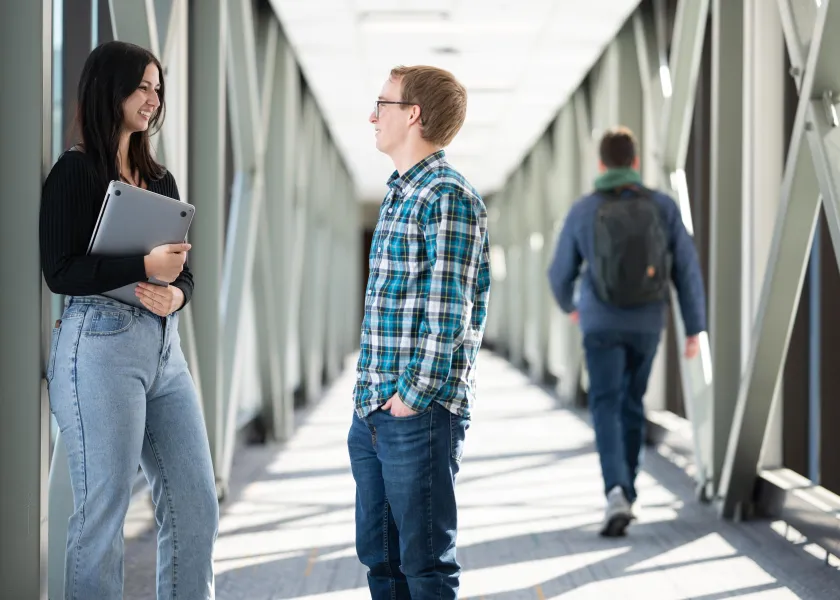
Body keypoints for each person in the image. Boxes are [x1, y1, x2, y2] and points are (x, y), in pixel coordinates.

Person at [40, 41, 218, 599]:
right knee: (103, 512)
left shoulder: (160, 180)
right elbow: (60, 270)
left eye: (157, 88)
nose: (153, 98)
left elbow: (185, 271)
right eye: (142, 86)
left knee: (196, 505)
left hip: (164, 349)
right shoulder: (74, 172)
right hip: (97, 345)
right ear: (110, 89)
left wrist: (177, 297)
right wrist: (143, 265)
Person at [348, 65, 491, 599]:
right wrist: (375, 402)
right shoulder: (399, 195)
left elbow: (448, 315)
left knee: (425, 566)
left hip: (416, 413)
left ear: (413, 115)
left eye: (382, 104)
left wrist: (410, 398)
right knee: (381, 562)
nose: (372, 115)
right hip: (373, 408)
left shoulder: (446, 197)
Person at [547, 126, 706, 537]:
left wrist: (572, 307)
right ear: (635, 163)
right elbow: (687, 268)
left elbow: (558, 273)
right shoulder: (663, 207)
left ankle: (616, 489)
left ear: (601, 164)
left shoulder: (584, 210)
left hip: (600, 322)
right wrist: (695, 327)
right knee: (633, 402)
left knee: (604, 403)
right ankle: (629, 489)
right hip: (647, 323)